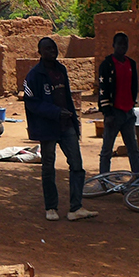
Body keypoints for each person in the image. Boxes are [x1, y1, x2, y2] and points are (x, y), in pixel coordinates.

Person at [24, 37, 97, 221]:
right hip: (47, 128)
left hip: (66, 126)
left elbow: (68, 98)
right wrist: (55, 112)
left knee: (77, 165)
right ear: (39, 52)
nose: (52, 52)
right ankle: (51, 208)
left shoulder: (61, 70)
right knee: (48, 167)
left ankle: (76, 207)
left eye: (54, 48)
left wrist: (74, 122)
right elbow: (32, 103)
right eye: (47, 49)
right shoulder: (33, 76)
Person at [96, 32, 139, 177]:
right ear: (113, 45)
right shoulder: (107, 65)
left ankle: (138, 179)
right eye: (120, 44)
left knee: (133, 148)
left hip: (128, 112)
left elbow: (133, 86)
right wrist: (107, 113)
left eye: (125, 44)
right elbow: (103, 89)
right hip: (114, 113)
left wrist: (132, 105)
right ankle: (104, 179)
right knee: (107, 149)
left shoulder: (131, 63)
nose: (123, 47)